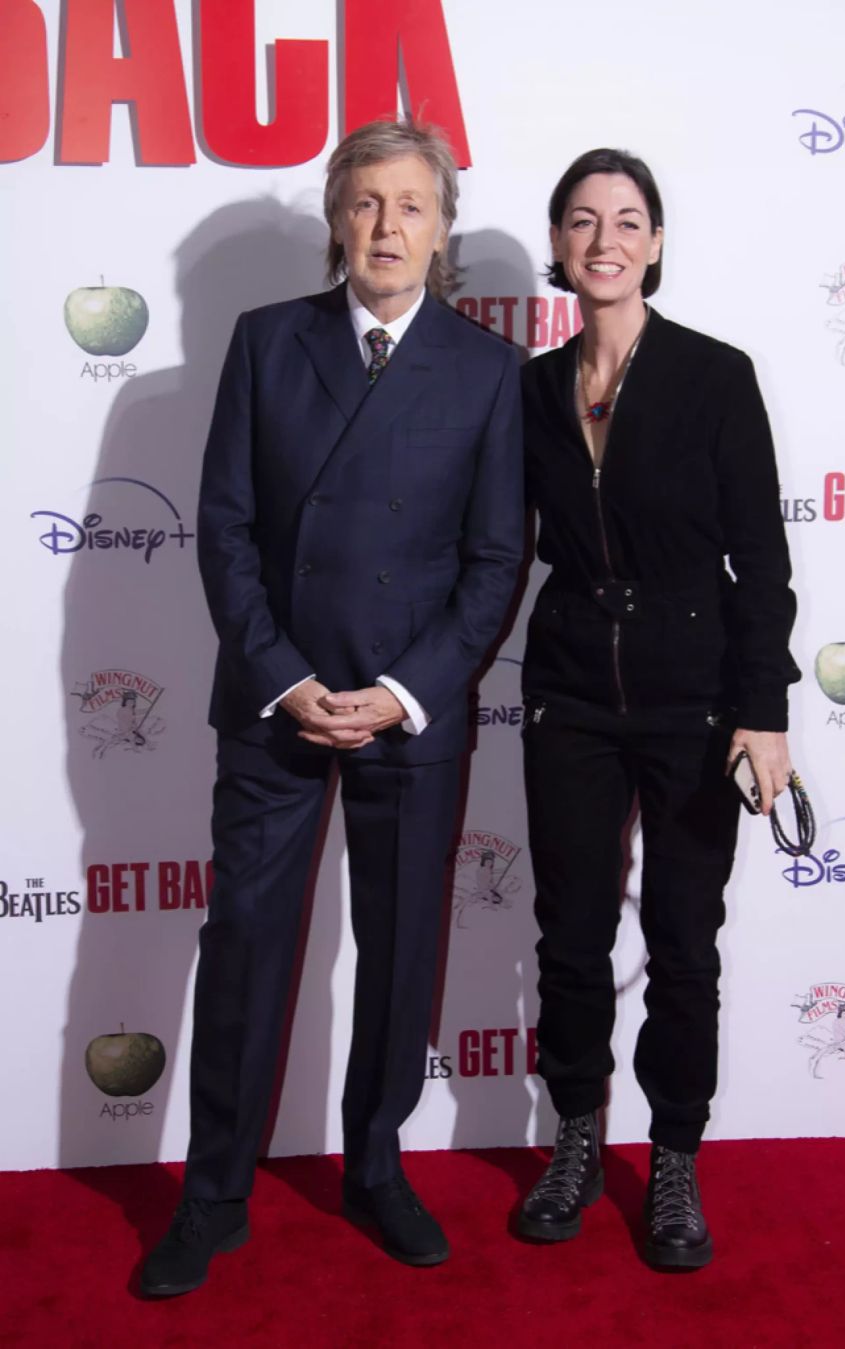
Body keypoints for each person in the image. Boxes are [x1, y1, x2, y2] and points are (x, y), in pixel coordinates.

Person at [141, 118, 523, 1297]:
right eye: (366, 203)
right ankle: (213, 1193)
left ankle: (374, 1162)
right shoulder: (266, 344)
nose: (387, 227)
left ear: (444, 228)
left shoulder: (489, 368)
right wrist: (288, 678)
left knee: (405, 947)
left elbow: (496, 558)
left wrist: (404, 690)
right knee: (247, 944)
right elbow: (228, 530)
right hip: (277, 699)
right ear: (334, 220)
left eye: (412, 205)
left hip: (411, 708)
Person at [516, 149, 800, 1268]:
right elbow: (501, 542)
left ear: (658, 242)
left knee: (685, 942)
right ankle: (576, 1139)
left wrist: (763, 712)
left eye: (628, 220)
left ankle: (674, 1155)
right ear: (557, 242)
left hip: (695, 697)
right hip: (573, 690)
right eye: (582, 220)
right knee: (571, 936)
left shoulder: (716, 376)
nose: (605, 240)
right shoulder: (532, 386)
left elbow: (764, 562)